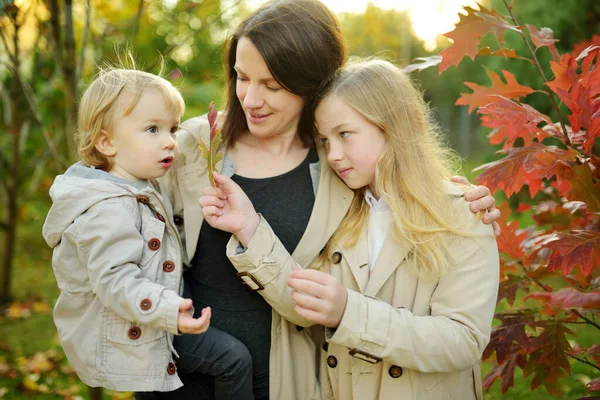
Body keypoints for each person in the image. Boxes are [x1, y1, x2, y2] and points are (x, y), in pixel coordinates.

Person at [159, 1, 500, 399]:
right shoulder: (187, 148)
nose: (250, 99)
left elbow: (320, 300)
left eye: (270, 85)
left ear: (310, 85)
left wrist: (456, 199)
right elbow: (108, 211)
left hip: (296, 383)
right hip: (185, 374)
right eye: (241, 76)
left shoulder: (342, 179)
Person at [42, 67, 254, 399]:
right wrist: (171, 312)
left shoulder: (138, 182)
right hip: (142, 324)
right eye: (153, 129)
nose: (170, 141)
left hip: (148, 316)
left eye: (173, 128)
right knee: (233, 359)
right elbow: (115, 281)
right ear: (107, 142)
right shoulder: (108, 208)